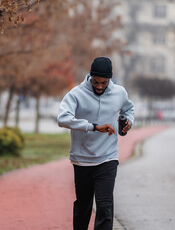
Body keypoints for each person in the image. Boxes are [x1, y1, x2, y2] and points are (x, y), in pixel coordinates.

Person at [57, 57, 134, 230]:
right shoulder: (77, 94)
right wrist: (92, 127)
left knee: (105, 206)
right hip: (82, 159)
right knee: (83, 207)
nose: (99, 86)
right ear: (90, 77)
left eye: (103, 83)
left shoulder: (119, 93)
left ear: (110, 80)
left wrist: (128, 121)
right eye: (96, 82)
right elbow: (62, 119)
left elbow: (129, 109)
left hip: (108, 158)